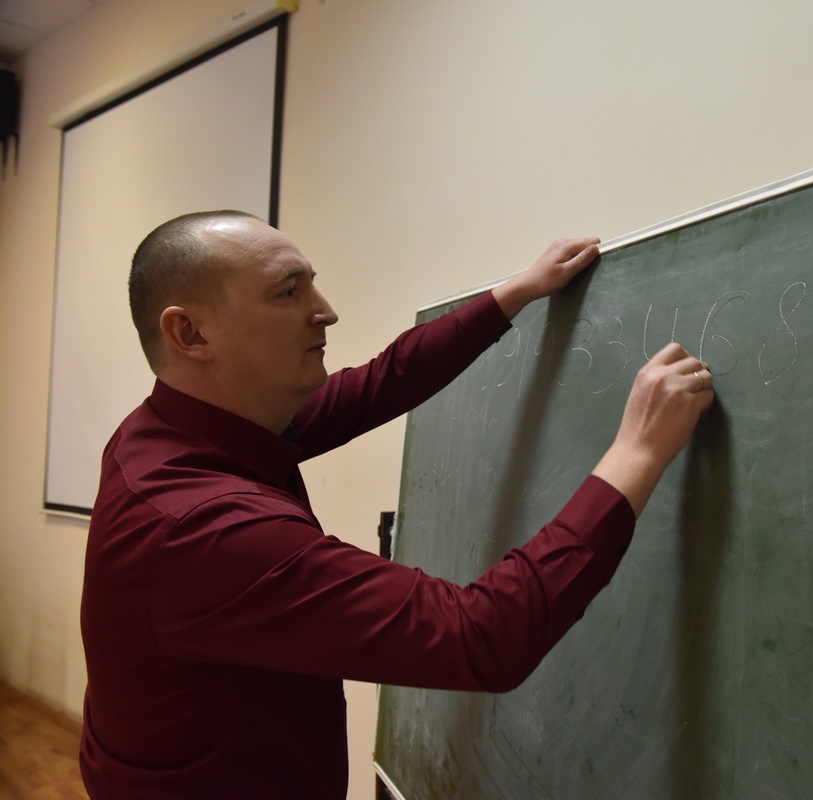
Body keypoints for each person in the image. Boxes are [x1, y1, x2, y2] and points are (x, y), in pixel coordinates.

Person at [78, 210, 714, 798]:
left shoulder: (172, 430)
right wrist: (637, 452)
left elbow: (380, 383)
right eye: (289, 292)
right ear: (190, 332)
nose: (326, 312)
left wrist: (515, 292)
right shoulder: (203, 528)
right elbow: (481, 636)